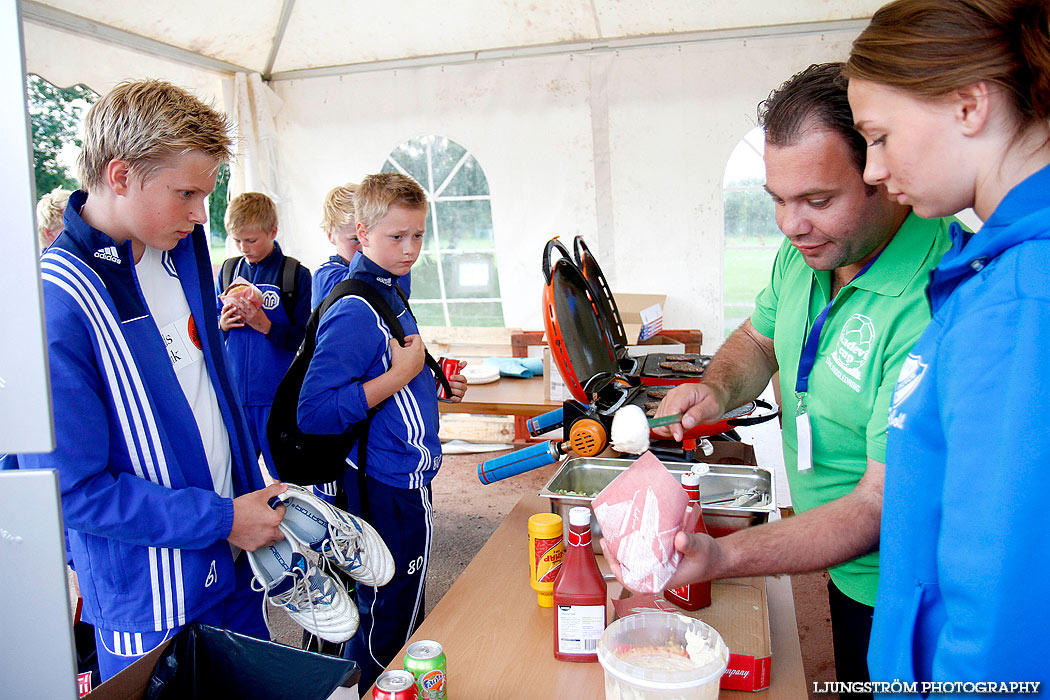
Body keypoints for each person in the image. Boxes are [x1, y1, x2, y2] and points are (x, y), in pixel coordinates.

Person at [634, 63, 957, 693]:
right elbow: (760, 338)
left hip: (907, 584)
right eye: (778, 200)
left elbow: (877, 505)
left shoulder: (931, 304)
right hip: (839, 562)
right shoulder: (809, 251)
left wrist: (725, 557)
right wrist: (719, 387)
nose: (790, 224)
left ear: (884, 175)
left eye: (817, 200)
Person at [19, 79, 287, 681]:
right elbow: (71, 491)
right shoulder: (53, 301)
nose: (200, 215)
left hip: (236, 561)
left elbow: (208, 395)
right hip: (154, 600)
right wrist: (220, 519)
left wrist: (252, 483)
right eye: (186, 193)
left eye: (206, 195)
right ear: (119, 176)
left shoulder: (182, 250)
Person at [843, 0, 1050, 685]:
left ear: (968, 106)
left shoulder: (1023, 297)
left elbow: (1001, 595)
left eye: (878, 135)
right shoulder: (995, 273)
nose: (871, 170)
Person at [297, 172, 467, 694]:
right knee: (387, 611)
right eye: (397, 237)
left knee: (403, 601)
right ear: (362, 231)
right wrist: (399, 375)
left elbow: (387, 373)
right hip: (383, 482)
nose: (411, 249)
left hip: (402, 473)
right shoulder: (355, 307)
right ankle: (371, 688)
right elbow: (314, 412)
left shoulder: (389, 287)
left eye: (419, 235)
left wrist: (430, 383)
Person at [218, 192, 312, 478]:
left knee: (283, 475)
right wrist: (221, 324)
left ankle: (285, 523)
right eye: (237, 240)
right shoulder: (228, 270)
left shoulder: (295, 274)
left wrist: (265, 326)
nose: (244, 247)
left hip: (276, 397)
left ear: (273, 231)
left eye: (252, 240)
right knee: (236, 475)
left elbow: (305, 340)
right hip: (234, 393)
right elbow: (211, 329)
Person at [311, 182, 411, 310]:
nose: (365, 246)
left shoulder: (388, 266)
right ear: (331, 236)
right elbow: (357, 287)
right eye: (355, 239)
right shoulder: (325, 276)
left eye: (369, 237)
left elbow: (401, 293)